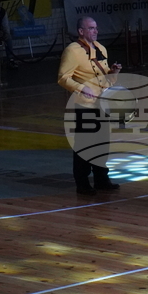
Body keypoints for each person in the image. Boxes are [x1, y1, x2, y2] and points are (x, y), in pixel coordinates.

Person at [57, 16, 122, 195]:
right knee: (84, 145)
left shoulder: (101, 48)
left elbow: (106, 78)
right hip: (85, 105)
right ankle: (82, 183)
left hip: (103, 104)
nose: (96, 31)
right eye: (91, 28)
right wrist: (81, 88)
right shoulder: (72, 51)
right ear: (81, 31)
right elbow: (63, 77)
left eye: (96, 27)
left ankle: (102, 179)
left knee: (102, 144)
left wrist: (113, 73)